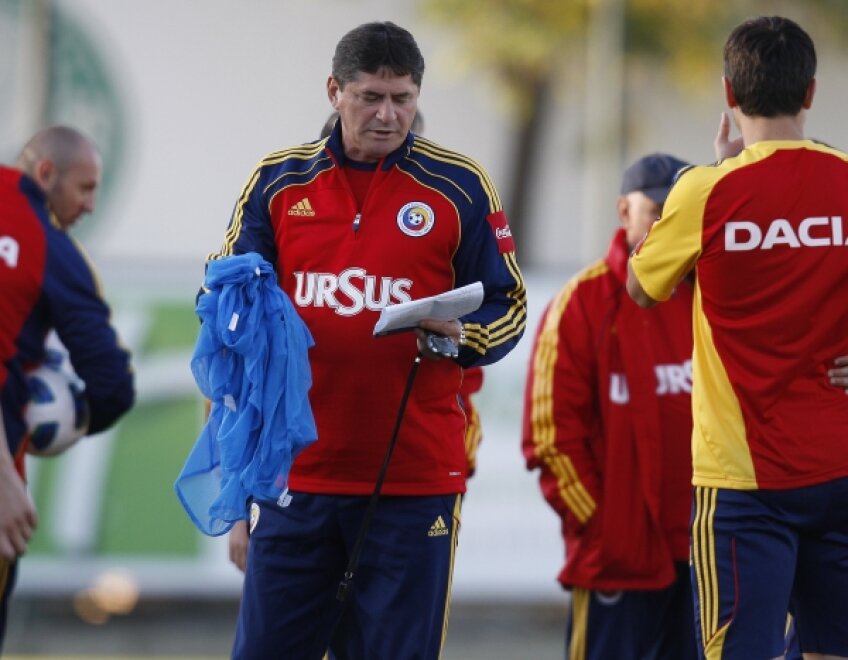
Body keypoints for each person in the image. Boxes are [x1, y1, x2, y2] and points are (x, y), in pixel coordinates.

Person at [208, 21, 525, 659]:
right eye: (370, 97)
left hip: (412, 482)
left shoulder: (459, 185)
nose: (388, 115)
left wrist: (462, 338)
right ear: (334, 91)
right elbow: (221, 302)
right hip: (295, 477)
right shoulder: (278, 181)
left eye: (402, 99)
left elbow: (510, 303)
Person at [627, 16, 848, 659]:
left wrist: (714, 175)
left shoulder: (705, 189)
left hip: (744, 485)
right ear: (810, 92)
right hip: (839, 467)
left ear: (728, 93)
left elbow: (643, 288)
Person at [226, 105, 485, 574]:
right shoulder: (284, 206)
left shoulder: (444, 233)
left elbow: (468, 395)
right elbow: (235, 389)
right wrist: (238, 507)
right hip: (296, 484)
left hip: (410, 488)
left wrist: (450, 488)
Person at [522, 153, 697, 660]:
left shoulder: (713, 295)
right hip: (619, 558)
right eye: (655, 210)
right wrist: (606, 526)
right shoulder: (581, 304)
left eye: (678, 212)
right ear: (624, 211)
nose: (667, 224)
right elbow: (551, 438)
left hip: (707, 554)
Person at [0, 125, 135, 649]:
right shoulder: (51, 250)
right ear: (46, 174)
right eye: (85, 188)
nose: (91, 205)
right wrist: (62, 417)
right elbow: (111, 386)